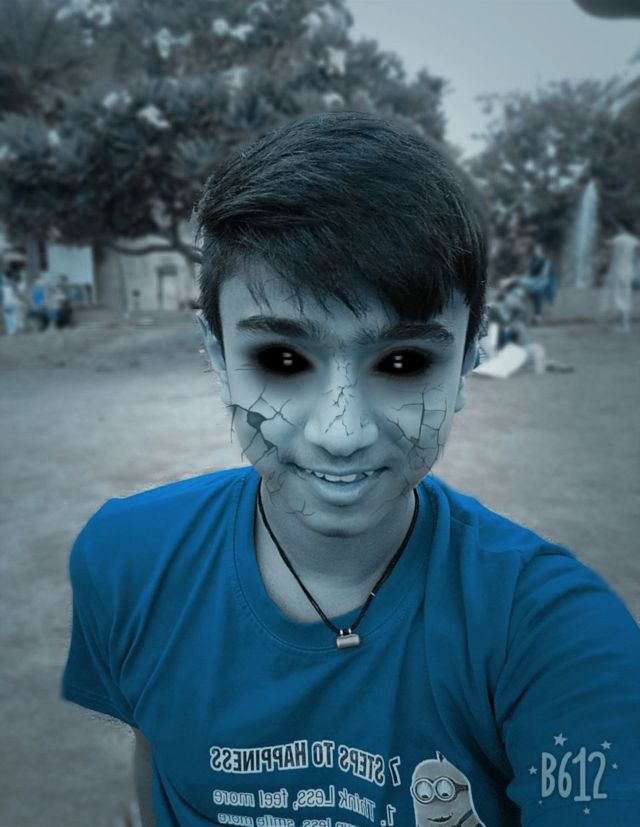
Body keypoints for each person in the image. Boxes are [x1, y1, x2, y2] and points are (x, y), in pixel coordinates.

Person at [61, 112, 640, 827]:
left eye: (403, 361)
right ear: (217, 355)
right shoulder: (129, 560)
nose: (341, 435)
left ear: (467, 362)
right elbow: (158, 756)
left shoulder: (553, 633)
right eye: (282, 358)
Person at [601, 224, 640, 333]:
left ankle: (621, 324)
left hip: (617, 272)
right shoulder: (633, 240)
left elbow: (607, 243)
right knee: (626, 296)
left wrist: (603, 241)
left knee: (618, 297)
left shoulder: (618, 239)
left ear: (622, 228)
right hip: (628, 272)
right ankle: (626, 324)